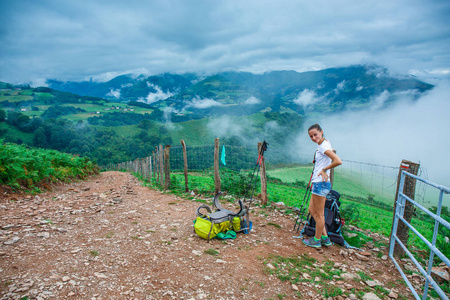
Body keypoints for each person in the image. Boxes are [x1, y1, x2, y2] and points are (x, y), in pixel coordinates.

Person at [303, 123, 342, 248]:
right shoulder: (324, 143)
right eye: (311, 136)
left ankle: (316, 240)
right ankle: (325, 238)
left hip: (321, 183)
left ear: (321, 132)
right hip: (318, 183)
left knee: (319, 214)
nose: (314, 138)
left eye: (315, 134)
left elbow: (338, 161)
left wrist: (324, 169)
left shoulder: (323, 146)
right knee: (311, 210)